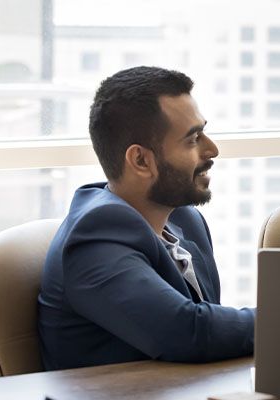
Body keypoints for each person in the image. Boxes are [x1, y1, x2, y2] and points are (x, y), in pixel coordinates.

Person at [38, 66, 254, 370]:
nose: (212, 149)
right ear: (141, 160)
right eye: (193, 139)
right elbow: (187, 331)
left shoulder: (185, 220)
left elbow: (211, 328)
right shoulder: (94, 237)